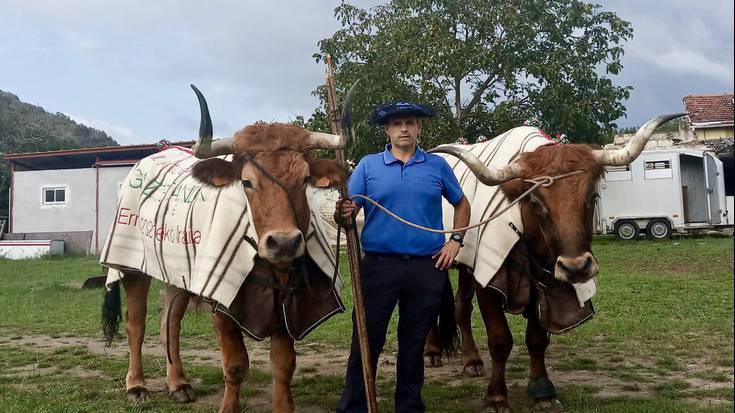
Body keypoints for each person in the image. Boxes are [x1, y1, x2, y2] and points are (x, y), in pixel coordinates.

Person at [334, 101, 471, 413]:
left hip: (427, 267)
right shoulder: (368, 166)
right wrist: (343, 212)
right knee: (366, 342)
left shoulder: (436, 166)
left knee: (413, 345)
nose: (404, 128)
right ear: (387, 129)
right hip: (379, 267)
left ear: (419, 127)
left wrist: (456, 241)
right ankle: (354, 406)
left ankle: (409, 407)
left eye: (410, 122)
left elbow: (462, 205)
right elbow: (346, 212)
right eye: (397, 124)